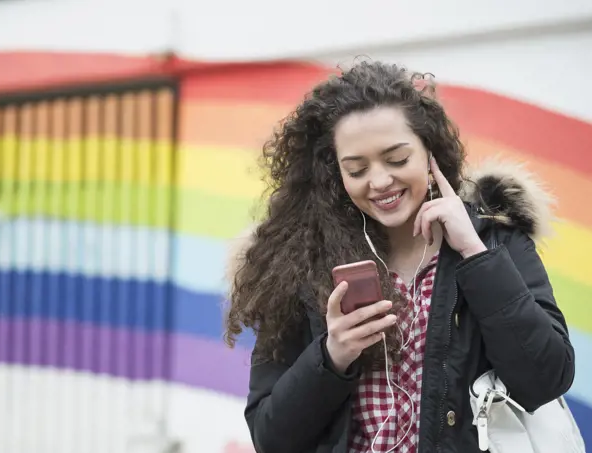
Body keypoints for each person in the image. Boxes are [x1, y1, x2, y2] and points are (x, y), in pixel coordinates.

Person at [223, 60, 576, 453]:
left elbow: (547, 379)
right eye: (356, 169)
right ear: (334, 174)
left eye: (396, 159)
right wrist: (332, 356)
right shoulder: (300, 263)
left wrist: (475, 254)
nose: (379, 182)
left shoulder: (495, 240)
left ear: (429, 153)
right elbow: (271, 438)